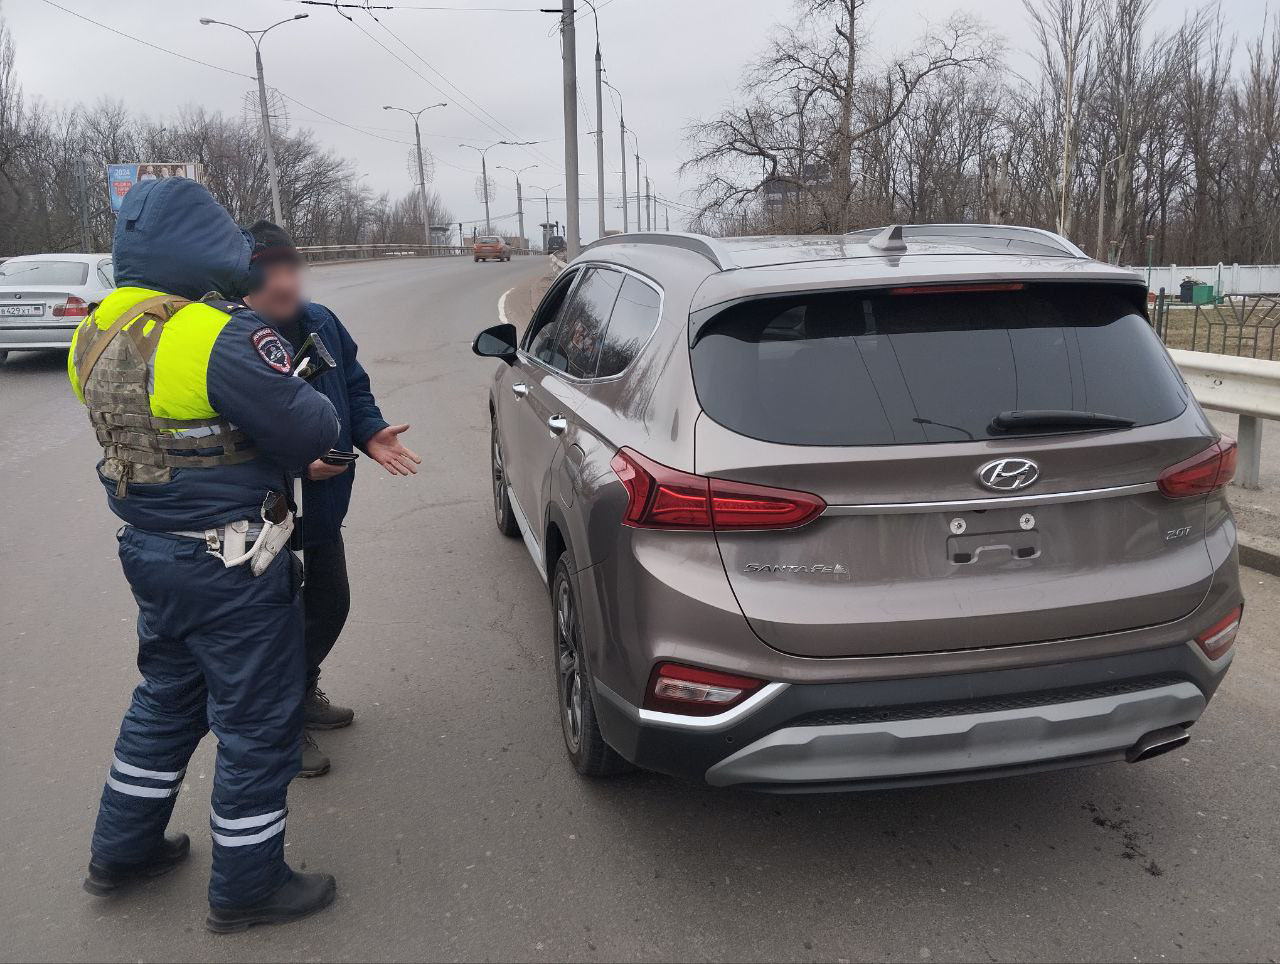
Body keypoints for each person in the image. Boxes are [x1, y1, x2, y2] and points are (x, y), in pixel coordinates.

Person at [69, 178, 341, 933]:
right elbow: (314, 429)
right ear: (208, 249)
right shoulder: (218, 334)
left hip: (150, 552)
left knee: (166, 698)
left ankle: (121, 850)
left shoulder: (97, 329)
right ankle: (249, 885)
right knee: (257, 720)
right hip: (231, 565)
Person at [242, 221, 420, 777]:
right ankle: (279, 730)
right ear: (245, 281)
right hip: (263, 517)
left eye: (292, 270)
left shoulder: (321, 323)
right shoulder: (233, 340)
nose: (287, 284)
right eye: (272, 274)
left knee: (328, 606)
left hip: (321, 509)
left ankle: (303, 690)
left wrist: (369, 434)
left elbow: (356, 388)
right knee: (274, 629)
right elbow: (232, 432)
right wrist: (296, 467)